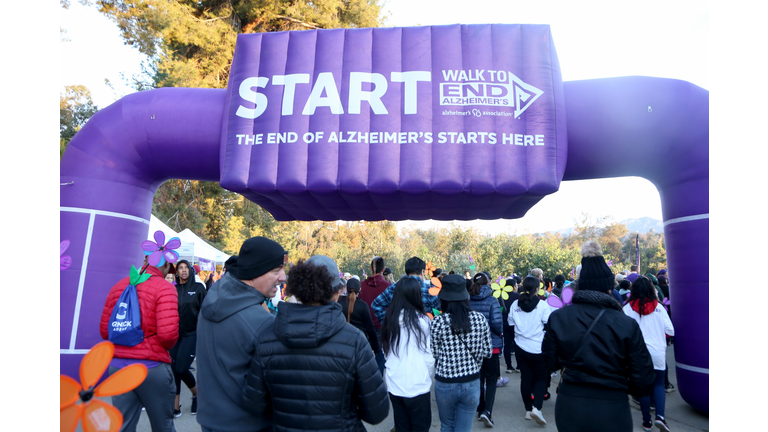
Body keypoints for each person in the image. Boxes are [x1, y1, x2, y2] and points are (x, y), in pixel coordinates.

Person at [242, 256, 389, 431]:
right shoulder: (354, 341)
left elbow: (253, 404)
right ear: (336, 292)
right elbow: (376, 412)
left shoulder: (266, 338)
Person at [542, 241, 655, 432]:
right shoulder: (626, 323)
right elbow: (643, 380)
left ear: (581, 285)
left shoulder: (559, 318)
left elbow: (548, 364)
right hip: (613, 408)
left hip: (570, 404)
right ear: (609, 288)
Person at [195, 237, 287, 432]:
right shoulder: (262, 322)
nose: (283, 277)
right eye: (276, 270)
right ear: (255, 271)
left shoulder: (211, 301)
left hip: (210, 421)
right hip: (249, 425)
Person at [99, 243, 180, 432]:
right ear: (167, 265)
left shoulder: (119, 285)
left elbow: (105, 331)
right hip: (151, 367)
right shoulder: (165, 288)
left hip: (118, 367)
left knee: (122, 426)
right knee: (163, 426)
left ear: (145, 260)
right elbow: (167, 336)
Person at [430, 274, 492, 432]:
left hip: (445, 382)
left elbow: (434, 353)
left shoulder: (438, 321)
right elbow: (488, 352)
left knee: (447, 427)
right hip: (471, 381)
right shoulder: (479, 319)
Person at [381, 277, 435, 432]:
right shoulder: (423, 321)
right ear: (416, 295)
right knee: (420, 427)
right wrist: (427, 375)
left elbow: (386, 351)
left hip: (395, 382)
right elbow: (429, 356)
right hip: (418, 383)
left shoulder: (389, 320)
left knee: (402, 426)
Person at [623, 276, 675, 432]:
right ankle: (661, 417)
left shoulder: (626, 308)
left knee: (643, 388)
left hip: (637, 354)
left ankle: (647, 422)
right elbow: (670, 330)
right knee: (658, 384)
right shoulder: (659, 308)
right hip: (658, 352)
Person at [507, 276, 552, 425]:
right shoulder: (543, 305)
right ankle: (537, 408)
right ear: (537, 289)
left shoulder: (515, 304)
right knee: (540, 378)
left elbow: (510, 323)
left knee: (526, 378)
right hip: (538, 348)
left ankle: (527, 410)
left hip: (520, 347)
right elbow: (548, 325)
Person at [169, 259, 207, 417]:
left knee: (181, 368)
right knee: (174, 369)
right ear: (176, 272)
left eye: (186, 268)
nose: (183, 270)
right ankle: (175, 406)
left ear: (190, 271)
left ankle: (197, 394)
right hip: (175, 334)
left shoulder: (198, 288)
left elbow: (206, 311)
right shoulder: (173, 289)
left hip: (192, 334)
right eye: (180, 268)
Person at [468, 273, 505, 427]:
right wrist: (500, 333)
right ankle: (487, 411)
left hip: (474, 346)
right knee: (491, 379)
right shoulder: (492, 300)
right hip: (492, 344)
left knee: (478, 378)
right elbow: (496, 323)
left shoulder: (468, 300)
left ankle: (480, 408)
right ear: (489, 282)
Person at [371, 257, 440, 325]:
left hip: (398, 332)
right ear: (422, 272)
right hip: (424, 332)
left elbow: (376, 305)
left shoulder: (393, 288)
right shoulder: (430, 290)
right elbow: (439, 311)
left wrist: (388, 323)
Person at [338, 277, 381, 361]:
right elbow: (370, 328)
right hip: (359, 343)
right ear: (360, 289)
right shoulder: (363, 305)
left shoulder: (339, 303)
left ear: (346, 288)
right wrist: (376, 348)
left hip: (342, 342)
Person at [359, 256, 389, 374]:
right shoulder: (388, 286)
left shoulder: (361, 286)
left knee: (362, 357)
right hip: (380, 327)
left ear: (371, 268)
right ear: (383, 269)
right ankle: (378, 381)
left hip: (364, 327)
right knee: (380, 355)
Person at [501, 277, 520, 374]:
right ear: (513, 287)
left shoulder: (501, 296)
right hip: (515, 323)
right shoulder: (518, 296)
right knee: (517, 344)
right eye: (516, 285)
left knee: (507, 344)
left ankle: (509, 366)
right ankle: (518, 366)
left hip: (504, 322)